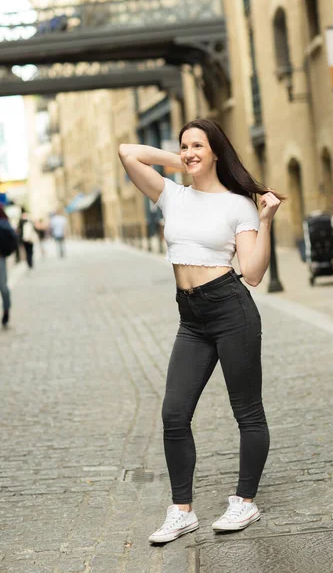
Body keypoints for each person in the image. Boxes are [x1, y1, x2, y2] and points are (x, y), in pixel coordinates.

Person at [118, 118, 284, 544]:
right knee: (174, 414)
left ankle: (245, 501)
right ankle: (181, 511)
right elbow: (127, 152)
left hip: (231, 309)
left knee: (246, 410)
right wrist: (184, 161)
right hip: (190, 317)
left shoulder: (237, 205)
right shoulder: (170, 194)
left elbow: (253, 273)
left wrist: (264, 220)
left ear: (216, 151)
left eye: (198, 145)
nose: (190, 151)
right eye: (184, 145)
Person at [0, 205, 17, 327]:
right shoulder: (4, 222)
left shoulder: (3, 223)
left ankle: (6, 310)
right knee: (3, 286)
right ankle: (6, 310)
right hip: (1, 258)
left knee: (3, 287)